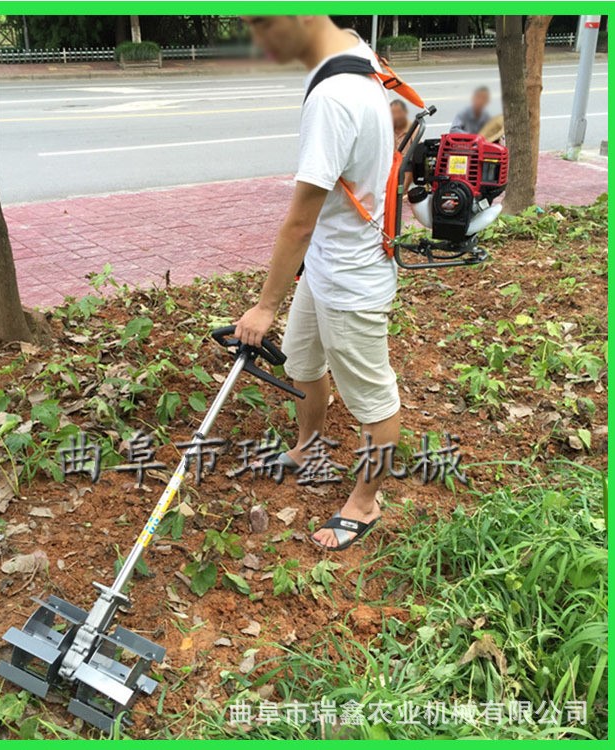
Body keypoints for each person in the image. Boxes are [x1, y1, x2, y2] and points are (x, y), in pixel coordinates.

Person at [235, 16, 399, 551]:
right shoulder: (355, 51)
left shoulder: (333, 97)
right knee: (303, 364)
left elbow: (299, 219)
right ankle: (308, 447)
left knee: (372, 399)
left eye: (262, 24)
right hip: (326, 263)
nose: (258, 41)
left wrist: (264, 307)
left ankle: (365, 504)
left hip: (352, 280)